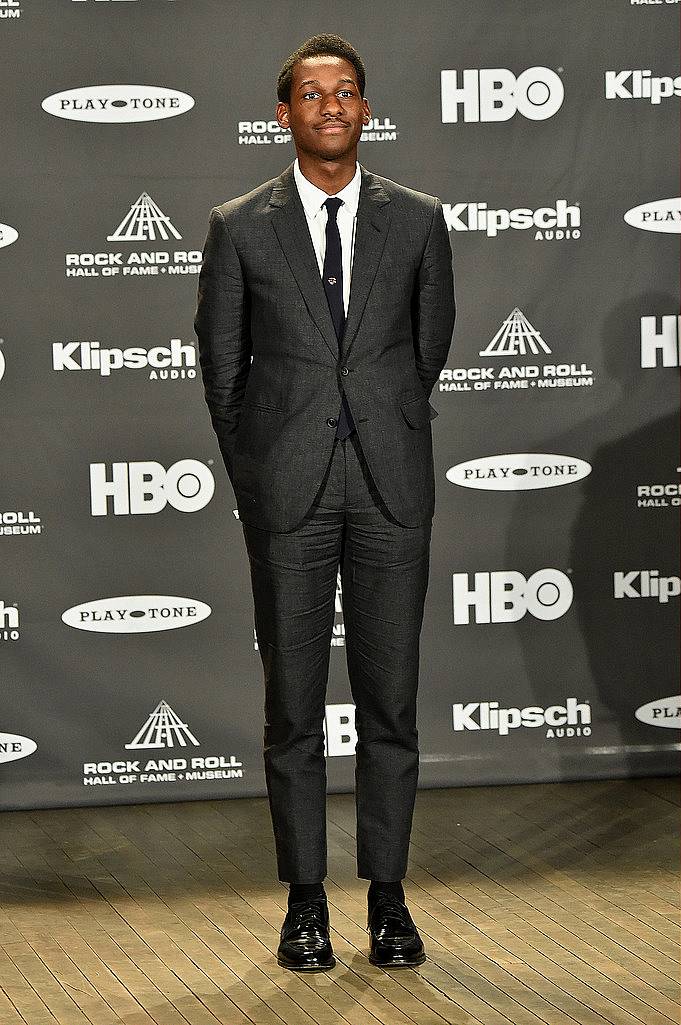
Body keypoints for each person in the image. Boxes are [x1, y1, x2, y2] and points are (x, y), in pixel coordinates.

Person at [194, 33, 455, 972]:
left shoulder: (418, 221)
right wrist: (260, 472)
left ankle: (388, 899)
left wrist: (376, 426)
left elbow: (425, 354)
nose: (332, 105)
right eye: (313, 94)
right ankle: (305, 902)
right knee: (292, 709)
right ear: (284, 114)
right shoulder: (239, 225)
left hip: (390, 490)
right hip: (289, 495)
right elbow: (220, 372)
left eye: (346, 91)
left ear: (365, 108)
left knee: (391, 703)